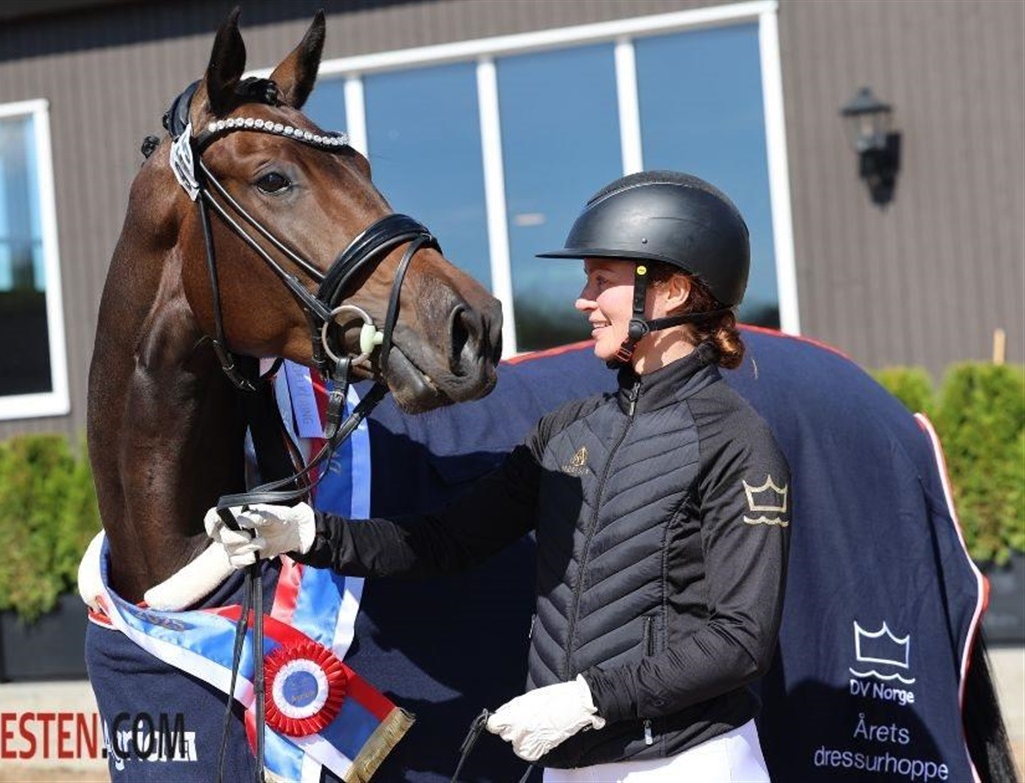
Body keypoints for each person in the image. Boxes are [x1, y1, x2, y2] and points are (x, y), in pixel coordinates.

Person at [218, 170, 791, 781]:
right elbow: (446, 541)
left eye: (602, 281)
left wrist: (590, 699)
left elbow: (740, 640)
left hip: (689, 762)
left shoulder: (736, 440)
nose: (583, 300)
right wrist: (308, 534)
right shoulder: (567, 432)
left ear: (671, 292)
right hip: (568, 762)